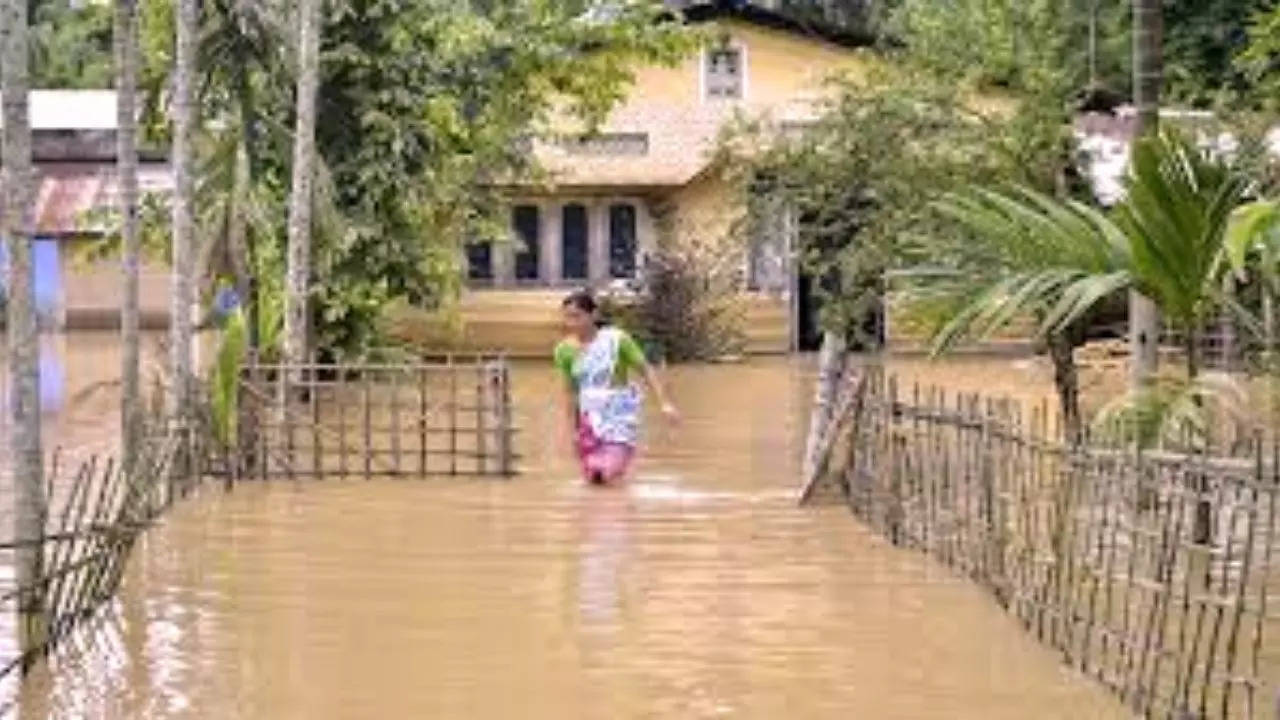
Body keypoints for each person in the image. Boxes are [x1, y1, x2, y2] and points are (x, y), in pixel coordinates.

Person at [554, 289, 678, 485]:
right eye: (568, 318)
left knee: (607, 472)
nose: (572, 323)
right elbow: (570, 393)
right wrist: (571, 431)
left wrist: (665, 403)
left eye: (577, 317)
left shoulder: (617, 340)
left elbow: (646, 370)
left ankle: (619, 502)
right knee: (594, 477)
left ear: (593, 315)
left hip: (618, 417)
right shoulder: (564, 351)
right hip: (589, 421)